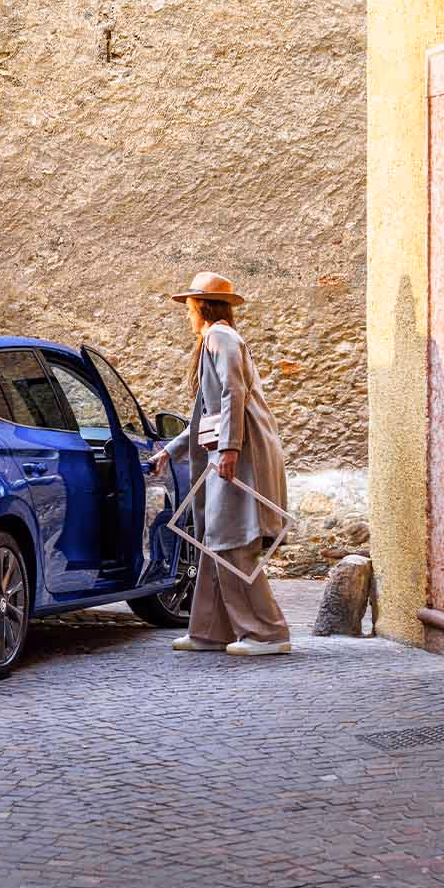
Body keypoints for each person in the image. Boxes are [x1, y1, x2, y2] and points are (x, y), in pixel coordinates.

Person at [150, 272, 292, 656]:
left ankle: (267, 634)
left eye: (189, 308)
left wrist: (229, 449)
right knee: (216, 541)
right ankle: (210, 630)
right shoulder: (217, 339)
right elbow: (205, 415)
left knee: (231, 542)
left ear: (202, 306)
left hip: (240, 456)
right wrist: (171, 451)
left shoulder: (220, 336)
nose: (188, 316)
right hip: (229, 452)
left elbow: (233, 392)